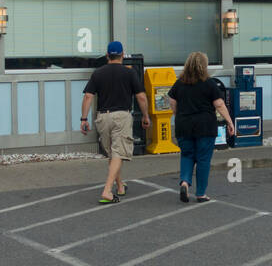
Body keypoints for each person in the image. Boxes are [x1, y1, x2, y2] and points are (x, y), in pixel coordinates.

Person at [80, 41, 151, 205]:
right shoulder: (129, 73)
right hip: (121, 116)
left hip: (103, 117)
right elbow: (141, 96)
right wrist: (146, 116)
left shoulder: (98, 73)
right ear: (122, 55)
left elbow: (88, 97)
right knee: (118, 153)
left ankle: (120, 186)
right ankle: (107, 190)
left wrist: (83, 119)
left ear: (107, 55)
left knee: (113, 154)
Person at [167, 51, 235, 203]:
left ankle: (185, 182)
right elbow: (219, 104)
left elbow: (171, 100)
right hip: (205, 126)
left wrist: (177, 112)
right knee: (203, 159)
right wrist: (230, 122)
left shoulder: (180, 83)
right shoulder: (209, 83)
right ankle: (201, 193)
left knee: (187, 155)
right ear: (204, 66)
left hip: (183, 125)